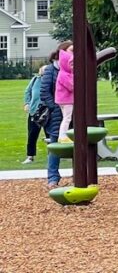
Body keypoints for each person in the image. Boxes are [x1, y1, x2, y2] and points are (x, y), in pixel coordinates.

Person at [38, 49, 63, 190]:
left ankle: (80, 175)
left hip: (72, 112)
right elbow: (44, 92)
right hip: (57, 114)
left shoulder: (72, 69)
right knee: (55, 144)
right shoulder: (50, 70)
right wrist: (55, 107)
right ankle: (53, 178)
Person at [21, 64, 46, 164]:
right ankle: (30, 156)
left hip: (47, 112)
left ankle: (54, 155)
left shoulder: (51, 80)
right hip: (34, 111)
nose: (42, 72)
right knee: (32, 134)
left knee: (50, 134)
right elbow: (27, 92)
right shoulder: (35, 79)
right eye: (42, 70)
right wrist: (27, 103)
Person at [55, 41, 74, 143]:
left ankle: (63, 136)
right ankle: (62, 136)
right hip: (66, 100)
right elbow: (71, 86)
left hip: (64, 100)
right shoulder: (64, 74)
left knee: (66, 117)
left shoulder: (64, 73)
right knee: (67, 118)